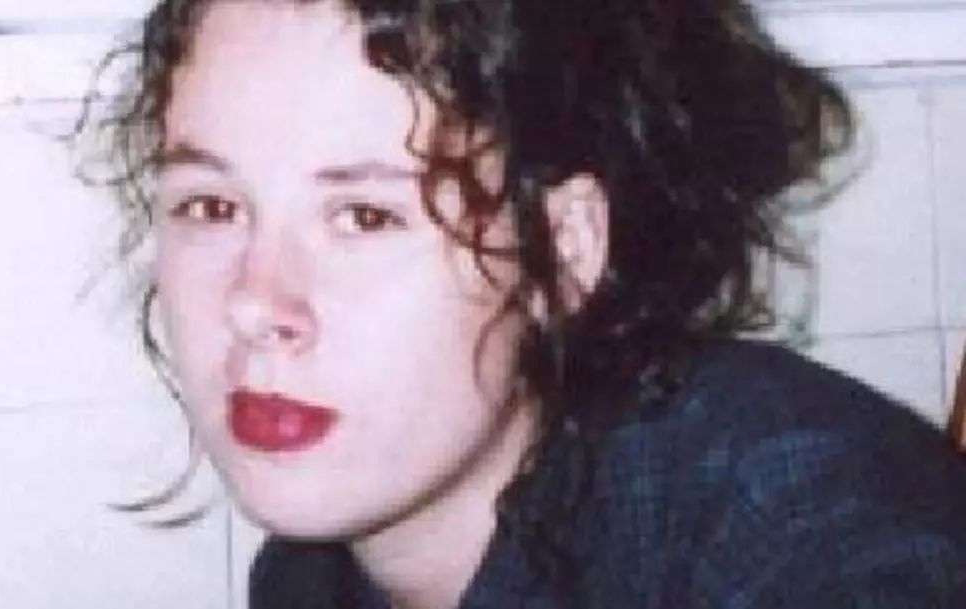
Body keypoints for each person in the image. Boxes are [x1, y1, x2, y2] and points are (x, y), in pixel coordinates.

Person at [75, 0, 966, 607]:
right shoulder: (311, 575)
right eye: (212, 207)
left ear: (562, 249)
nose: (254, 304)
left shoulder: (793, 525)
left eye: (365, 216)